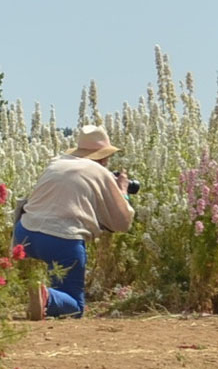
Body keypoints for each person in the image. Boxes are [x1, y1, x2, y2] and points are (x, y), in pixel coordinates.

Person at [13, 124, 134, 319]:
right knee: (75, 305)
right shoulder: (100, 172)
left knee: (57, 266)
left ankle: (44, 297)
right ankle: (48, 297)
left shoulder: (57, 163)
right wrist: (122, 192)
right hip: (62, 239)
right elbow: (122, 222)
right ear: (103, 157)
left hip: (25, 233)